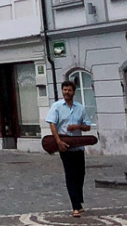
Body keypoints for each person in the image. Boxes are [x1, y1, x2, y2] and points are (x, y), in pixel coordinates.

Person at [47, 79, 93, 218]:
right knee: (70, 175)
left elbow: (88, 126)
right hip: (65, 145)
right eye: (65, 90)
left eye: (69, 90)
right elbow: (52, 124)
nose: (67, 92)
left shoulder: (80, 108)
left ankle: (78, 199)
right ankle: (75, 206)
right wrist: (58, 141)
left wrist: (77, 126)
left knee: (81, 174)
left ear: (74, 92)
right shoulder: (57, 106)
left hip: (78, 146)